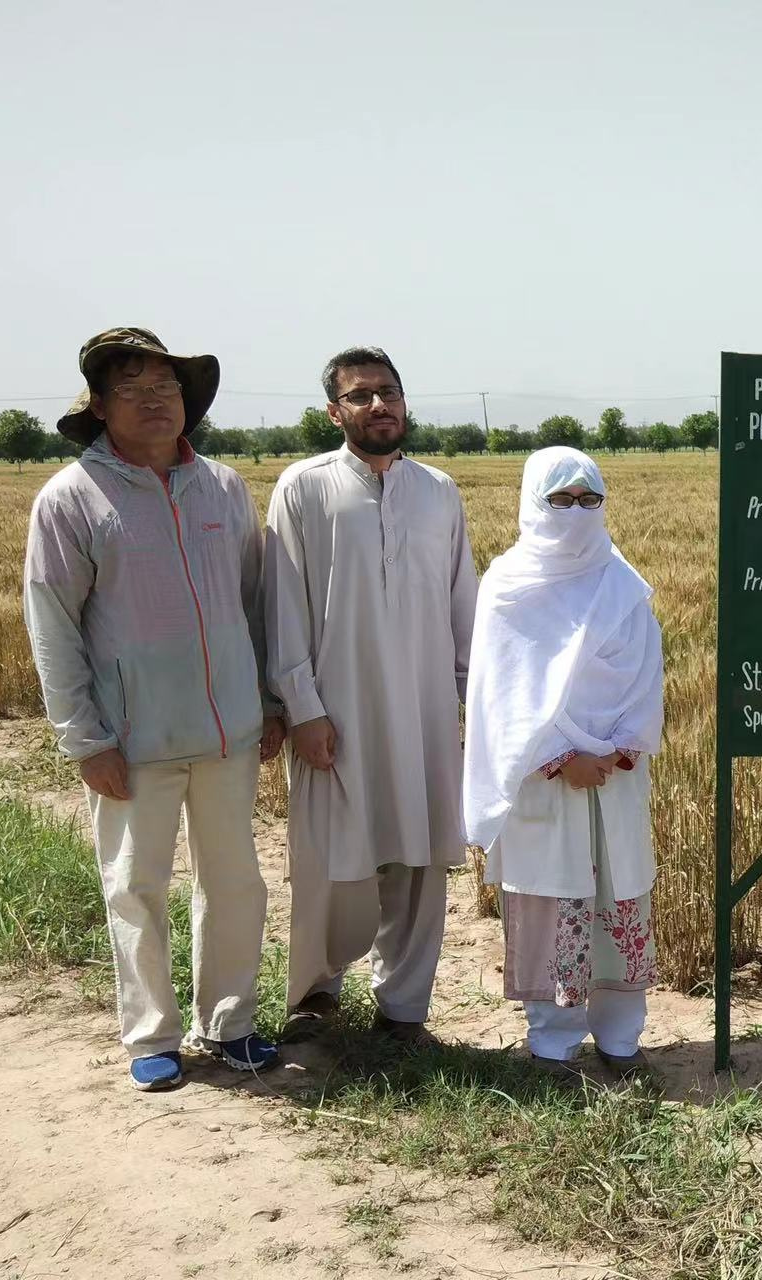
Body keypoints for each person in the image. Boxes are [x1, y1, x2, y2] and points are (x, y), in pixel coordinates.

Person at [24, 327, 283, 1090]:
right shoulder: (71, 499)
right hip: (131, 740)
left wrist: (265, 700)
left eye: (165, 389)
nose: (153, 403)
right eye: (132, 392)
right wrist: (83, 739)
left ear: (187, 401)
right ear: (100, 408)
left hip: (229, 730)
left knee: (235, 881)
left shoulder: (224, 487)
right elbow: (52, 625)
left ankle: (231, 1023)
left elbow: (252, 603)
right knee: (136, 888)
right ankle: (150, 1036)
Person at [265, 346, 478, 1044]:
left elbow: (461, 603)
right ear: (335, 411)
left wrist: (464, 700)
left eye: (389, 392)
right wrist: (303, 708)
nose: (378, 405)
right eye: (360, 396)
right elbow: (284, 607)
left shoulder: (439, 491)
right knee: (330, 861)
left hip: (421, 712)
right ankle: (315, 997)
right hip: (337, 713)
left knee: (419, 860)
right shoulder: (303, 488)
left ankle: (404, 1008)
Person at [461, 447, 665, 1073]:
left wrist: (621, 745)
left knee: (618, 893)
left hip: (617, 774)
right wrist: (560, 755)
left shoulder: (622, 583)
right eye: (561, 500)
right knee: (555, 898)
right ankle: (552, 1041)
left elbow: (645, 671)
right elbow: (502, 691)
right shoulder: (506, 587)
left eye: (588, 500)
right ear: (532, 503)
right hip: (545, 779)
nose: (576, 513)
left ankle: (621, 1038)